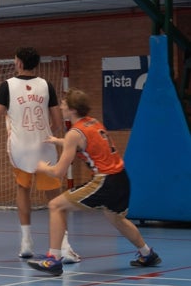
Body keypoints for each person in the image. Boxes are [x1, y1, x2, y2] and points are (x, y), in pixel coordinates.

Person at [28, 88, 162, 275]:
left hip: (104, 181)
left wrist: (42, 167)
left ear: (72, 109)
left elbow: (58, 171)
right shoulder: (93, 122)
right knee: (117, 218)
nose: (60, 106)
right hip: (121, 178)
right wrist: (57, 141)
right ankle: (147, 254)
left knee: (56, 205)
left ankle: (54, 259)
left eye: (64, 104)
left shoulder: (74, 133)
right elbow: (82, 143)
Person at [0, 47, 80, 263]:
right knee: (54, 197)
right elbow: (58, 123)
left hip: (20, 148)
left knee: (23, 188)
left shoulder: (7, 86)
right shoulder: (46, 85)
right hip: (44, 147)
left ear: (19, 62)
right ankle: (65, 246)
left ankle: (26, 242)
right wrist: (41, 133)